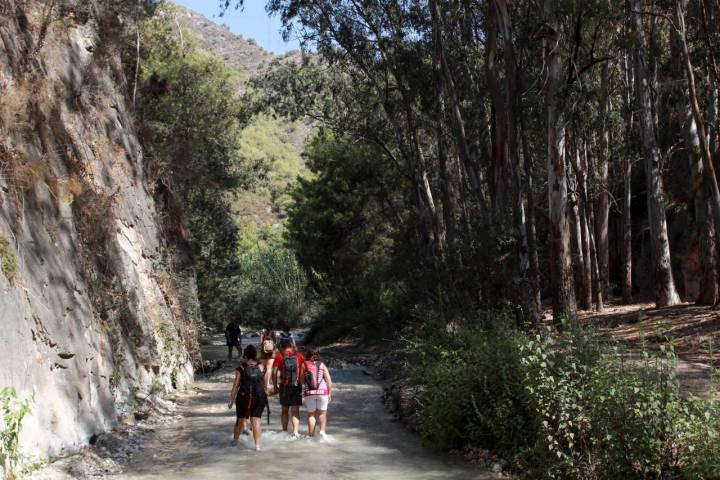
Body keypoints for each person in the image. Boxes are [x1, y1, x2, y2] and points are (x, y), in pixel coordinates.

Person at [228, 345, 266, 451]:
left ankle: (235, 441)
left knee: (240, 420)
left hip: (244, 397)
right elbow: (264, 383)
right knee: (256, 421)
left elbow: (236, 385)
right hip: (259, 397)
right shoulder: (261, 366)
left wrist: (231, 400)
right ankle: (257, 446)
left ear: (245, 355)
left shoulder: (241, 368)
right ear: (255, 354)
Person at [271, 340, 304, 438]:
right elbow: (303, 370)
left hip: (284, 386)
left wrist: (275, 386)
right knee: (295, 411)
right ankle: (295, 433)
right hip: (296, 386)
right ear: (292, 347)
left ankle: (284, 432)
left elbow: (274, 373)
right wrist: (302, 383)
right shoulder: (299, 356)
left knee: (284, 410)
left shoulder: (279, 356)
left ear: (282, 348)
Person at [300, 348, 333, 440]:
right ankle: (322, 432)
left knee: (311, 415)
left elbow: (302, 381)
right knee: (322, 413)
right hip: (322, 392)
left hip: (309, 392)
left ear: (307, 355)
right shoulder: (322, 365)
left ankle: (311, 436)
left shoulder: (304, 364)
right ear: (318, 355)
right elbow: (329, 380)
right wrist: (329, 392)